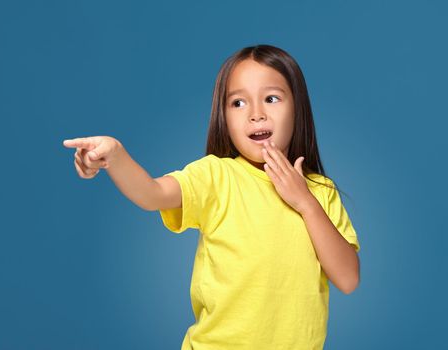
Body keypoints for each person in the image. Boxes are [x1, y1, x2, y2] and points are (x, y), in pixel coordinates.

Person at [62, 44, 361, 350]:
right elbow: (152, 194)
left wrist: (306, 203)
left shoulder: (320, 191)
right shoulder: (216, 177)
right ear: (224, 116)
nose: (256, 114)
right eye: (238, 103)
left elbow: (348, 279)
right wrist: (115, 155)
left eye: (271, 98)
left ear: (297, 108)